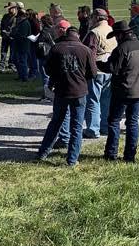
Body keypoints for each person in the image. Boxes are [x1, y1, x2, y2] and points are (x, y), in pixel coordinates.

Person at [36, 20, 95, 166]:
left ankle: (43, 152)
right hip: (79, 91)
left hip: (61, 90)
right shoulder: (85, 50)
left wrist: (58, 76)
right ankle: (72, 159)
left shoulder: (56, 48)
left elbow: (48, 69)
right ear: (77, 35)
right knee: (77, 126)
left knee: (56, 122)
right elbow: (93, 73)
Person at [101, 21, 139, 162]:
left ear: (121, 35)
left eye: (116, 36)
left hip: (122, 90)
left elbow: (112, 68)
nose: (116, 39)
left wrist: (97, 63)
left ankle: (111, 153)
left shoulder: (122, 49)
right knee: (132, 122)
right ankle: (130, 156)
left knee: (114, 121)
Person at [82, 9, 115, 139]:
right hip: (110, 69)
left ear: (96, 18)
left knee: (92, 100)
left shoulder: (94, 33)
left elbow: (89, 53)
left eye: (92, 17)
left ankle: (93, 129)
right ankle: (105, 127)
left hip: (96, 69)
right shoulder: (111, 30)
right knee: (106, 100)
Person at [11, 8, 37, 82]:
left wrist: (13, 34)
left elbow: (22, 35)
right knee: (17, 60)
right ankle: (21, 75)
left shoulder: (25, 23)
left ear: (21, 16)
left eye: (18, 17)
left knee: (22, 61)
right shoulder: (21, 23)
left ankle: (24, 76)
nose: (17, 19)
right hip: (18, 45)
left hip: (23, 46)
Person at [0, 2, 20, 68]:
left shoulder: (17, 17)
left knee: (13, 51)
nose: (9, 10)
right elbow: (2, 25)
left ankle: (11, 63)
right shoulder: (5, 16)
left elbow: (17, 28)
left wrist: (9, 33)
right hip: (5, 37)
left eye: (10, 8)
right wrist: (2, 32)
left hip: (13, 38)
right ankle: (2, 63)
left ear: (14, 8)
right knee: (3, 51)